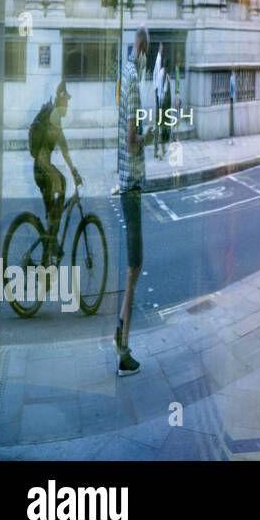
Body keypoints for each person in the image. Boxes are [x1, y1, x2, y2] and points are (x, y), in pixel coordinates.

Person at [116, 27, 155, 376]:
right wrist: (149, 134)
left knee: (135, 265)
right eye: (148, 51)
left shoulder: (126, 74)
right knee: (135, 265)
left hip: (127, 181)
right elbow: (131, 140)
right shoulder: (132, 79)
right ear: (142, 49)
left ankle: (121, 332)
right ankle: (123, 345)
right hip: (131, 183)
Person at [29, 82, 83, 250]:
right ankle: (52, 242)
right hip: (43, 169)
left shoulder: (51, 115)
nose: (68, 106)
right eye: (66, 101)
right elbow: (64, 148)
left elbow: (62, 146)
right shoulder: (54, 117)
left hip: (38, 169)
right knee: (63, 184)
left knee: (51, 215)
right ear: (61, 101)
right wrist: (73, 172)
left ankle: (48, 250)